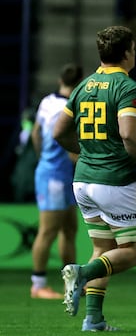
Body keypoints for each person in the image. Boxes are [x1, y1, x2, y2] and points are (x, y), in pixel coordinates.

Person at [53, 26, 136, 331]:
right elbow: (130, 135)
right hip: (114, 180)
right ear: (128, 52)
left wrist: (87, 151)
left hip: (83, 180)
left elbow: (58, 132)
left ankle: (94, 319)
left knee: (104, 248)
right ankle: (82, 273)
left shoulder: (83, 85)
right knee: (135, 250)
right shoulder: (127, 87)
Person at [30, 63, 83, 299]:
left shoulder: (46, 102)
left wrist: (43, 158)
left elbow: (35, 134)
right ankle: (38, 284)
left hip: (56, 172)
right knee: (48, 230)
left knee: (69, 228)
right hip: (55, 176)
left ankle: (69, 283)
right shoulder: (71, 108)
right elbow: (71, 147)